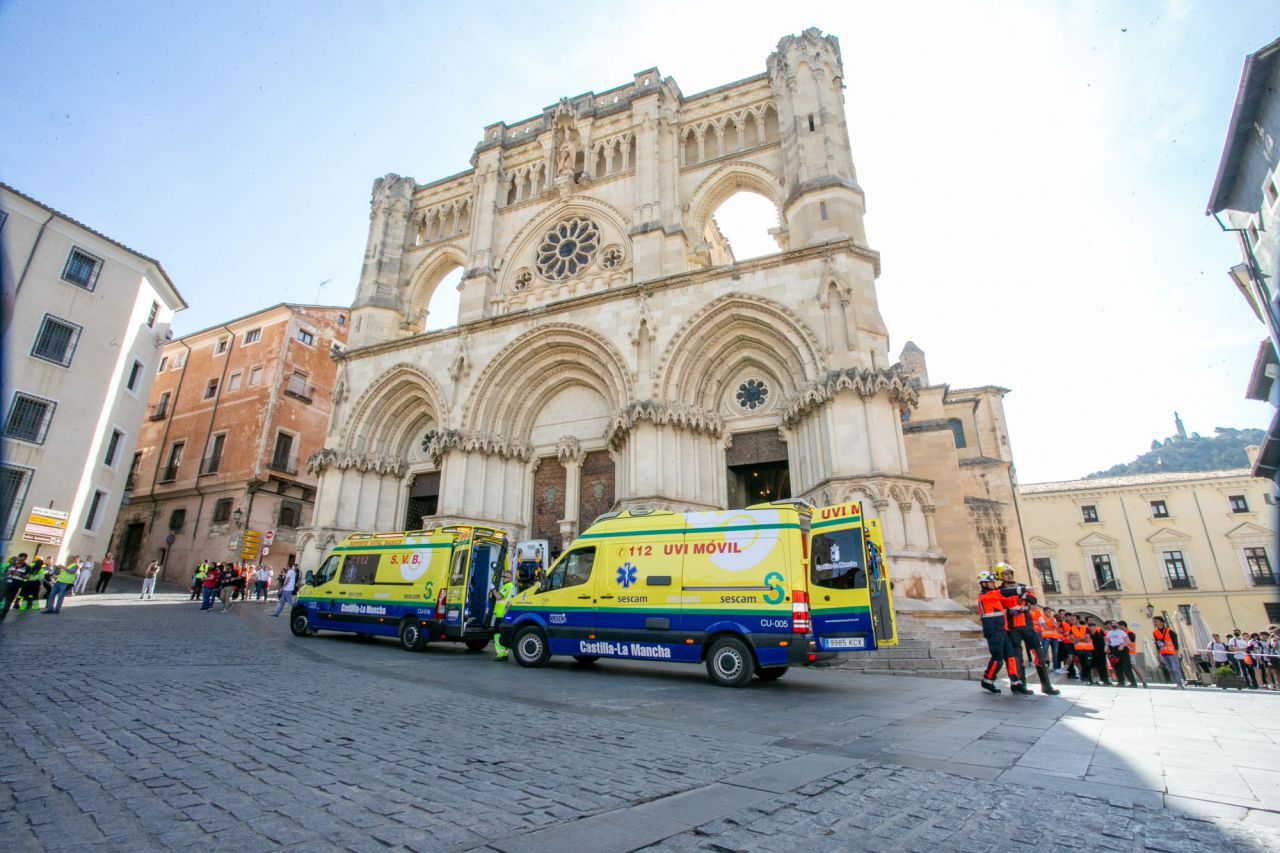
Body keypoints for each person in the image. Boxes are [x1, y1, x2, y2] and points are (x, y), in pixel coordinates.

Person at [975, 570, 1029, 695]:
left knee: (1010, 656)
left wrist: (1011, 610)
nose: (993, 584)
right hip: (993, 631)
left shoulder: (993, 595)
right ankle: (987, 680)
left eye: (993, 582)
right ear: (983, 584)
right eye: (990, 582)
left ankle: (1016, 683)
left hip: (1002, 630)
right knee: (998, 658)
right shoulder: (985, 596)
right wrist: (1019, 590)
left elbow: (1000, 608)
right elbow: (1003, 593)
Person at [1152, 615, 1185, 688]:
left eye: (1156, 621)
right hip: (1164, 653)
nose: (1155, 623)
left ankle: (1179, 684)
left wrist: (1176, 651)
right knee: (1170, 669)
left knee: (1175, 668)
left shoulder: (1169, 631)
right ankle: (1178, 682)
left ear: (1162, 622)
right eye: (1154, 621)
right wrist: (1158, 654)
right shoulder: (1155, 632)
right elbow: (1157, 643)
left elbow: (1175, 642)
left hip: (1172, 653)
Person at [491, 569, 517, 661]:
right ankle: (505, 653)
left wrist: (492, 589)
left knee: (497, 634)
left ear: (510, 578)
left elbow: (498, 597)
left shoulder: (507, 587)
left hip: (501, 614)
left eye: (505, 577)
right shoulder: (513, 587)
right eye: (503, 576)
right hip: (506, 614)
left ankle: (501, 653)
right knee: (504, 634)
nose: (503, 578)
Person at [1105, 620, 1138, 687]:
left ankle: (1133, 683)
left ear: (1117, 625)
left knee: (1126, 667)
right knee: (1117, 667)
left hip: (1123, 650)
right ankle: (1121, 682)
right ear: (1111, 625)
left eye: (1115, 623)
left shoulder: (1122, 632)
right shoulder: (1109, 633)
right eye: (1112, 623)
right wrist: (1106, 647)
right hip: (1114, 650)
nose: (1114, 624)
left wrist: (1122, 645)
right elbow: (1108, 641)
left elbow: (1128, 641)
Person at [1118, 621, 1148, 688]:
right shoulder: (1122, 634)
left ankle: (1143, 682)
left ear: (1122, 626)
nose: (1118, 628)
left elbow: (1130, 643)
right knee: (1125, 667)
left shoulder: (1130, 634)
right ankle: (1126, 681)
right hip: (1124, 653)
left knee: (1134, 667)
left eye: (1119, 626)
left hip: (1130, 653)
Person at [1, 553, 30, 621]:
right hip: (5, 584)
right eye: (19, 559)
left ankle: (2, 617)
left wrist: (20, 575)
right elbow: (3, 573)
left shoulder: (27, 567)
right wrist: (7, 573)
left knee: (8, 602)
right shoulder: (12, 565)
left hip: (14, 586)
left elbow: (28, 577)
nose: (20, 561)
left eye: (22, 559)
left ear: (25, 559)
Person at [1086, 616, 1112, 686]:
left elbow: (1104, 643)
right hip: (1091, 653)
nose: (1091, 629)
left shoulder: (1099, 635)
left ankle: (1105, 681)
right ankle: (1091, 680)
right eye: (1090, 627)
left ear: (1095, 628)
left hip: (1100, 654)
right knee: (1089, 666)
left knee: (1102, 667)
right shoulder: (1088, 636)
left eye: (1093, 627)